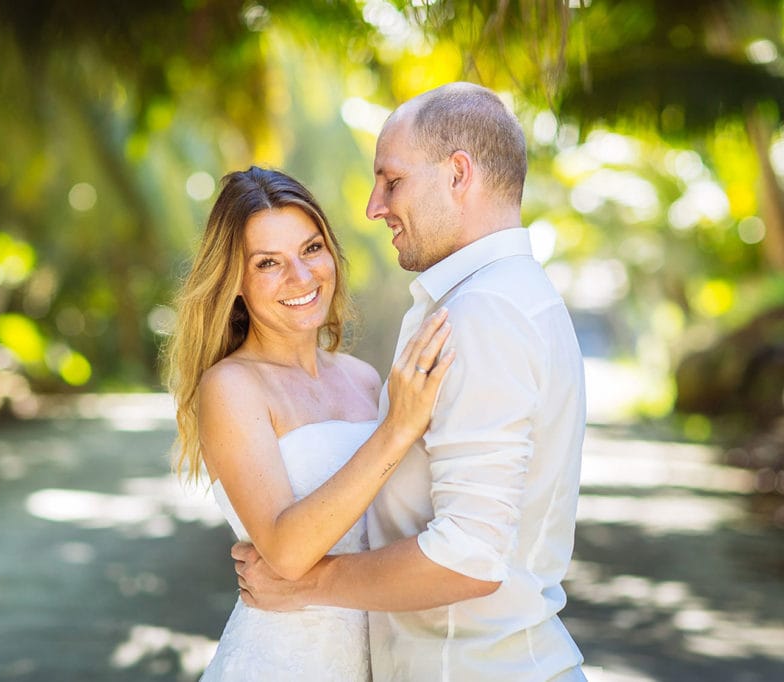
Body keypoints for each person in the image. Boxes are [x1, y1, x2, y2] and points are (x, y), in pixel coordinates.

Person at [232, 82, 589, 681]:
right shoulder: (505, 298)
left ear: (457, 174)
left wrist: (307, 584)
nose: (374, 207)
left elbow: (470, 558)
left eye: (391, 180)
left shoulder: (483, 314)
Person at [165, 166, 456, 680]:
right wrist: (396, 430)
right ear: (234, 281)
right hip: (282, 662)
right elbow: (288, 551)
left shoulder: (364, 379)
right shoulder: (231, 387)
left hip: (382, 660)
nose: (301, 277)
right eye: (268, 263)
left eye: (311, 248)